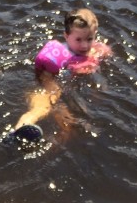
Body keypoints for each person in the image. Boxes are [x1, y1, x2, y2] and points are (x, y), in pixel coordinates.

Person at [7, 8, 112, 143]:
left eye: (89, 39)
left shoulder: (98, 51)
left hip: (67, 93)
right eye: (78, 39)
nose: (85, 45)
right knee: (41, 109)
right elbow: (45, 78)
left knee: (69, 128)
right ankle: (17, 132)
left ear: (95, 35)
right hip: (47, 88)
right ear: (66, 36)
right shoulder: (59, 54)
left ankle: (43, 147)